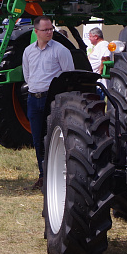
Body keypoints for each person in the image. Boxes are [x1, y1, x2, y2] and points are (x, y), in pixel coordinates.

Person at [22, 16, 74, 189]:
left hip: (52, 99)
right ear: (36, 32)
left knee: (53, 137)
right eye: (46, 30)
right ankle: (43, 175)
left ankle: (58, 177)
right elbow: (27, 75)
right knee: (37, 139)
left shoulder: (60, 50)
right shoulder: (29, 51)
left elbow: (69, 76)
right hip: (33, 98)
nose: (50, 32)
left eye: (51, 29)